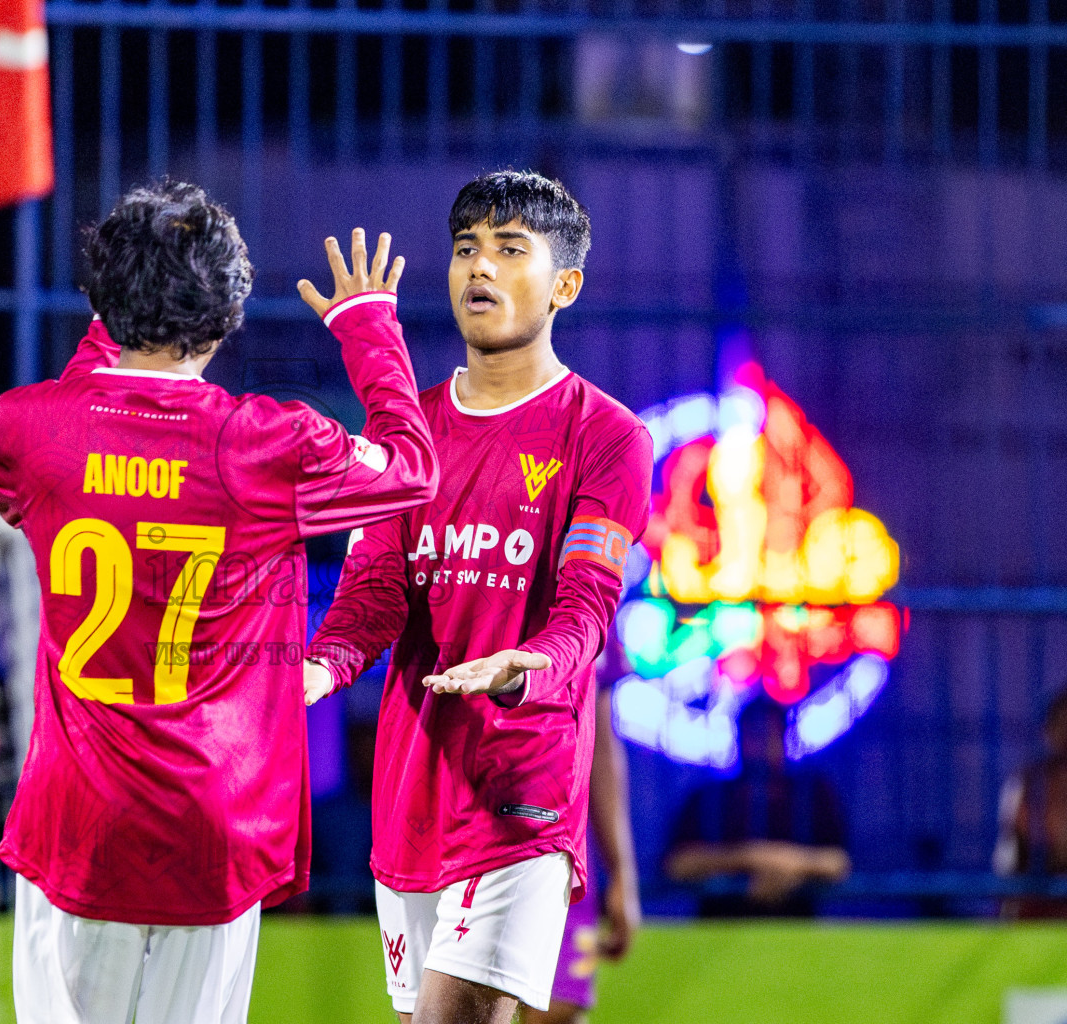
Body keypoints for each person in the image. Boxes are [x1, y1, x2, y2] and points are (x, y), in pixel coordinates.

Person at [0, 180, 437, 1024]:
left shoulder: (29, 425)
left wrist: (118, 307)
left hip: (78, 823)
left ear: (101, 303)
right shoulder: (274, 443)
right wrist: (369, 323)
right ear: (227, 319)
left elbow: (88, 401)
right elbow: (412, 470)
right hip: (213, 825)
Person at [306, 169, 653, 1024]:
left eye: (509, 249)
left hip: (521, 796)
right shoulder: (409, 434)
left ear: (564, 285)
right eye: (466, 249)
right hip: (411, 793)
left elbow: (586, 609)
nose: (479, 269)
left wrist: (526, 665)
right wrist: (321, 667)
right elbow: (374, 590)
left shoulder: (608, 437)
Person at [521, 637, 642, 1024]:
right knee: (458, 1005)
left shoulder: (592, 594)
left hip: (558, 849)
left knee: (559, 1010)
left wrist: (622, 872)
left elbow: (601, 748)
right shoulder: (463, 584)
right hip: (465, 836)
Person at [664, 699, 849, 916]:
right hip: (719, 930)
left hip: (796, 932)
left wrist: (791, 863)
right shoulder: (709, 798)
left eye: (770, 734)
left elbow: (839, 863)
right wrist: (749, 858)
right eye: (754, 735)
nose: (762, 745)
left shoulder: (810, 795)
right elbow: (677, 865)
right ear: (739, 738)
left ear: (785, 738)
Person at [995, 683, 1067, 918]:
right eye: (1060, 723)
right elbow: (1017, 832)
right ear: (1047, 730)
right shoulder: (1028, 779)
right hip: (1036, 896)